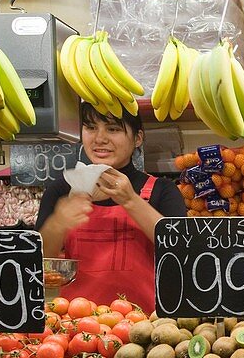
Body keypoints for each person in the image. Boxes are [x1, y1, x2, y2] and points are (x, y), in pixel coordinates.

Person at [36, 103, 187, 312]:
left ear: (138, 138)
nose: (99, 139)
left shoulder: (162, 190)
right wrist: (57, 224)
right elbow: (38, 262)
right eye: (90, 127)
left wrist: (131, 201)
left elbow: (181, 248)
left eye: (113, 129)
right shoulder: (61, 189)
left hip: (144, 326)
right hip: (76, 327)